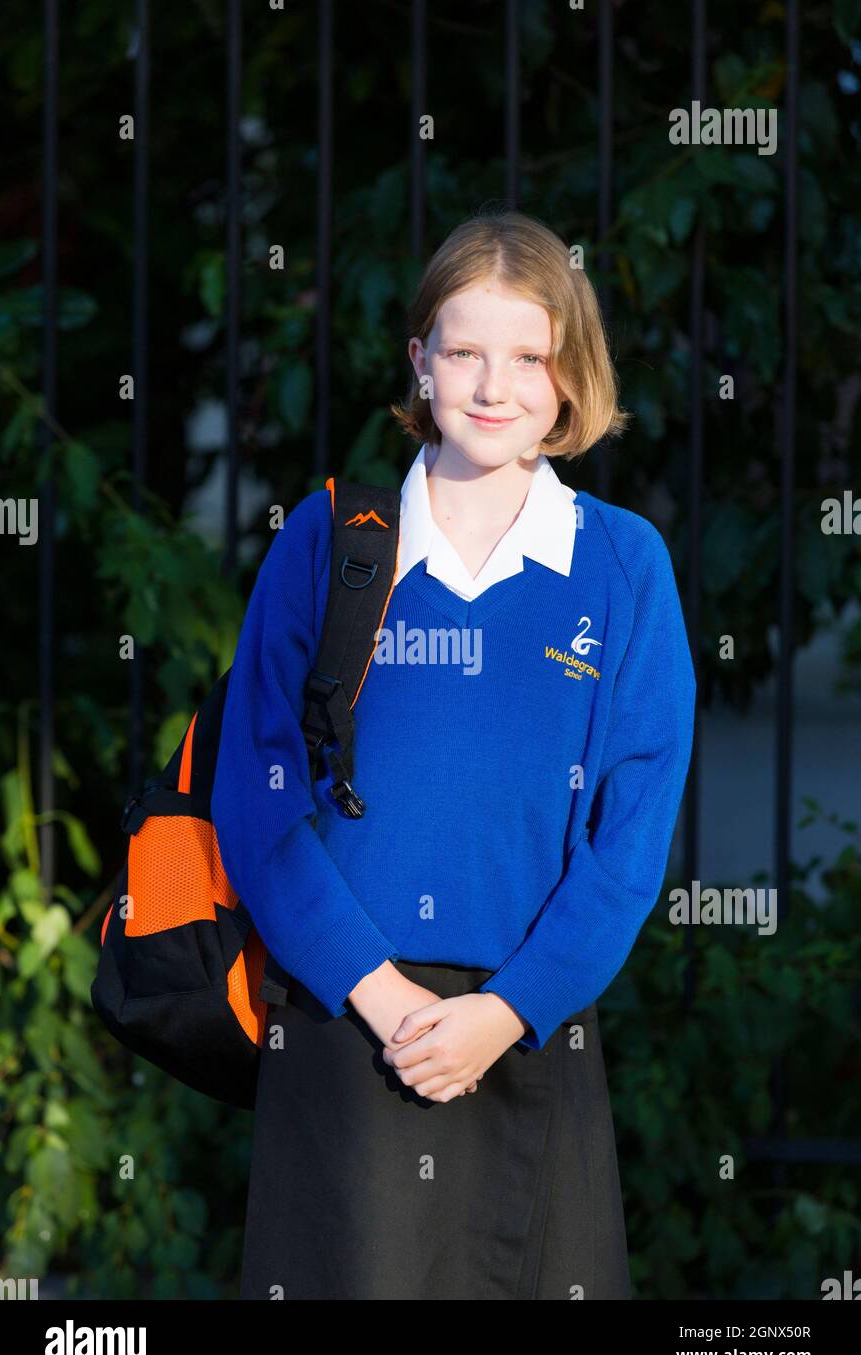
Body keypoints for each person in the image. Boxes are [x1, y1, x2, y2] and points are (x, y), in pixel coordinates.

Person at [211, 208, 697, 1300]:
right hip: (349, 1031)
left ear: (568, 377)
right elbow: (257, 795)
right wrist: (378, 997)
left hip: (530, 1035)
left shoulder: (623, 565)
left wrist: (506, 1010)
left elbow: (628, 842)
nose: (493, 384)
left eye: (527, 355)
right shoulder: (335, 541)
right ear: (419, 360)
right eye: (463, 350)